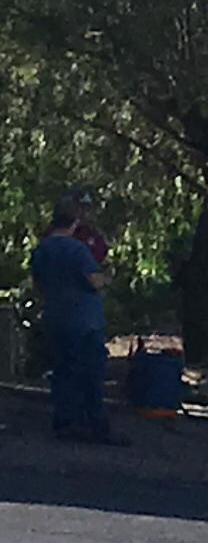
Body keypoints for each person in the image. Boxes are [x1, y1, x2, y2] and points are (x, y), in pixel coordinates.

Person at [31, 190, 120, 444]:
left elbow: (38, 283)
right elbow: (92, 280)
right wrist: (105, 279)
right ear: (74, 221)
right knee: (91, 372)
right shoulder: (78, 250)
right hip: (83, 320)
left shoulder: (42, 249)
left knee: (63, 370)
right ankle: (95, 424)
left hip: (55, 316)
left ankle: (65, 422)